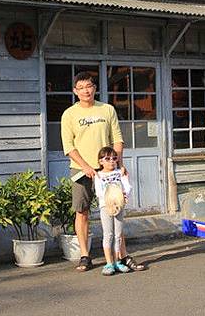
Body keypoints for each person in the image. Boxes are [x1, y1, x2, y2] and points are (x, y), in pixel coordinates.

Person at [61, 71, 145, 272]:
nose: (85, 91)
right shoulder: (69, 114)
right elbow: (68, 146)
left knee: (115, 209)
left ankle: (122, 256)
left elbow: (117, 139)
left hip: (108, 172)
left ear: (94, 88)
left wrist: (118, 163)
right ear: (75, 91)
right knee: (82, 212)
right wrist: (86, 166)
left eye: (88, 86)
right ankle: (84, 256)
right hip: (81, 171)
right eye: (80, 88)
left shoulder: (107, 110)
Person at [94, 146, 131, 276]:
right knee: (108, 234)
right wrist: (110, 197)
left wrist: (124, 194)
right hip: (106, 206)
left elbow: (127, 186)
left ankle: (117, 261)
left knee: (118, 234)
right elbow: (99, 192)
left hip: (119, 205)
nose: (111, 161)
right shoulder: (98, 175)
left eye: (114, 158)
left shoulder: (120, 172)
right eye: (107, 159)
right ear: (100, 161)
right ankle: (109, 262)